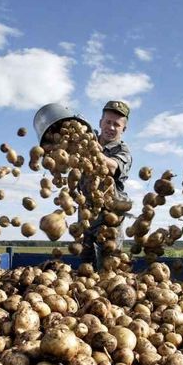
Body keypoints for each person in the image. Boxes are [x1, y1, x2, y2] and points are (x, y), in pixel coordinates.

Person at [79, 100, 132, 269]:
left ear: (124, 128)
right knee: (86, 264)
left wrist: (91, 151)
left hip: (111, 217)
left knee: (109, 263)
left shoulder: (123, 151)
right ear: (100, 122)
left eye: (116, 124)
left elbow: (113, 167)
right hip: (87, 212)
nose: (111, 127)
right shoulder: (87, 138)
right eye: (108, 122)